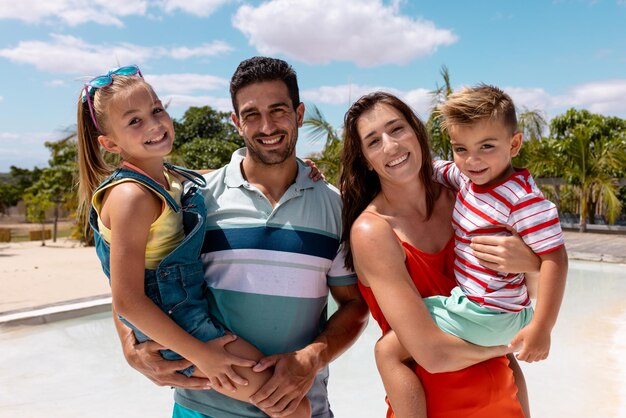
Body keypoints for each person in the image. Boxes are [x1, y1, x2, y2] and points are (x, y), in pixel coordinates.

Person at [113, 56, 370, 418]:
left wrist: (311, 356)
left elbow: (355, 305)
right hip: (202, 409)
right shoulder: (196, 199)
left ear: (299, 114)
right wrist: (130, 346)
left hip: (304, 408)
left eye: (278, 110)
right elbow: (133, 277)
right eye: (251, 114)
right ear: (236, 123)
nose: (266, 126)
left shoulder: (335, 207)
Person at [76, 64, 310, 417]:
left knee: (289, 404)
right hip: (180, 329)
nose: (154, 124)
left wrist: (302, 169)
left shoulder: (169, 178)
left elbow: (224, 175)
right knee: (293, 408)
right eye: (134, 121)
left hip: (190, 317)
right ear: (109, 143)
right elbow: (126, 299)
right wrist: (202, 356)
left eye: (157, 110)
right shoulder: (130, 197)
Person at [341, 91, 544, 417]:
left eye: (396, 129)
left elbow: (520, 295)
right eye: (373, 141)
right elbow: (433, 355)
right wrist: (505, 344)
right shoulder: (372, 232)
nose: (391, 145)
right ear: (365, 159)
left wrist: (530, 262)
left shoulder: (467, 198)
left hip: (507, 404)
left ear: (416, 132)